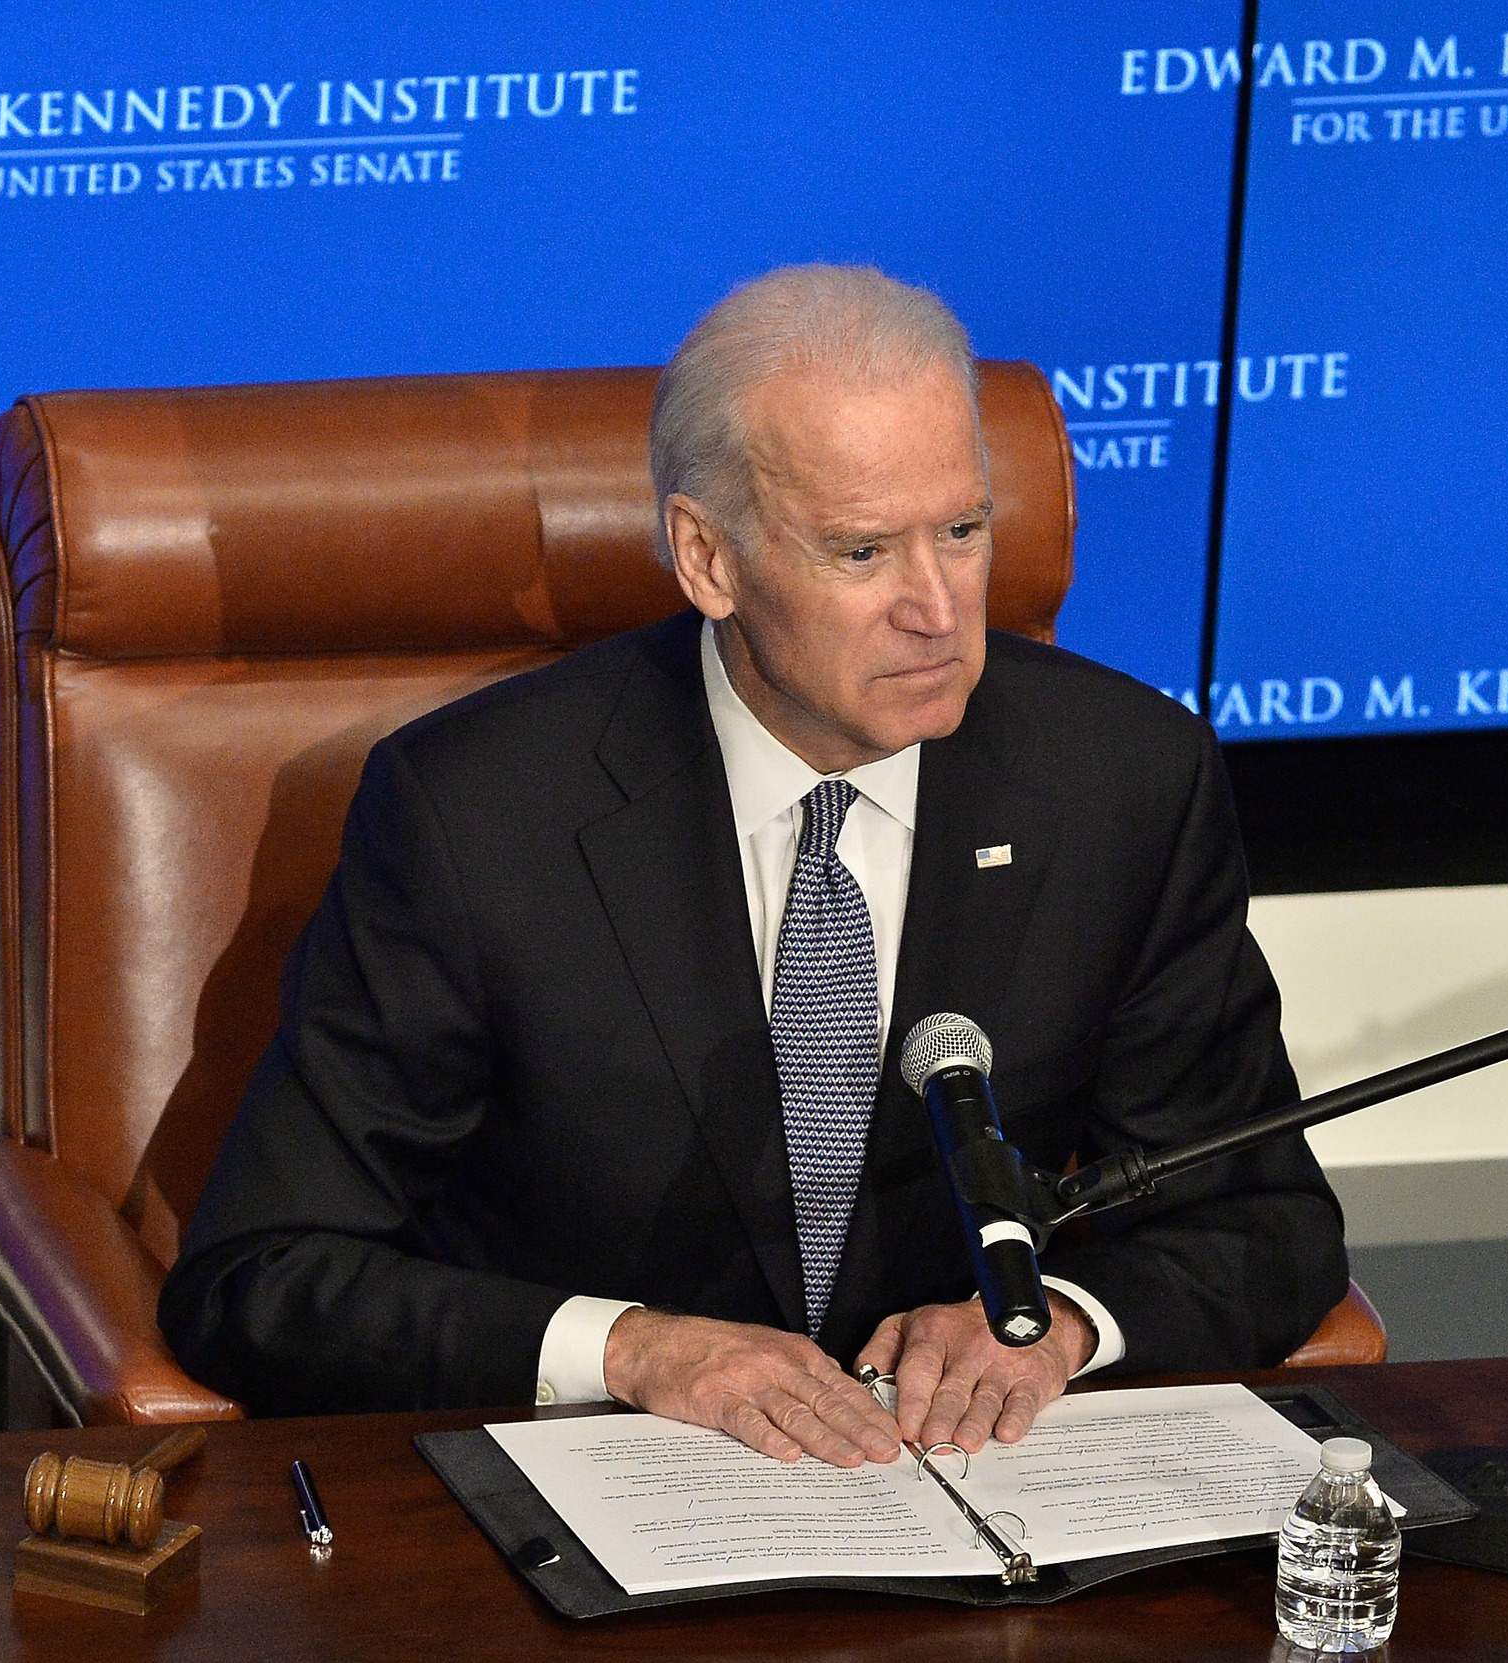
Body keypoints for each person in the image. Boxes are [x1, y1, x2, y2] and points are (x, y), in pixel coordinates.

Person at [159, 265, 1347, 1468]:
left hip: (962, 1501)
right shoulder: (476, 815)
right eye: (863, 550)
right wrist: (632, 1350)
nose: (938, 608)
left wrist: (1059, 1333)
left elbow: (1259, 1219)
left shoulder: (1123, 782)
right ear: (707, 559)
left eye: (964, 530)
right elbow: (264, 1273)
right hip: (599, 1495)